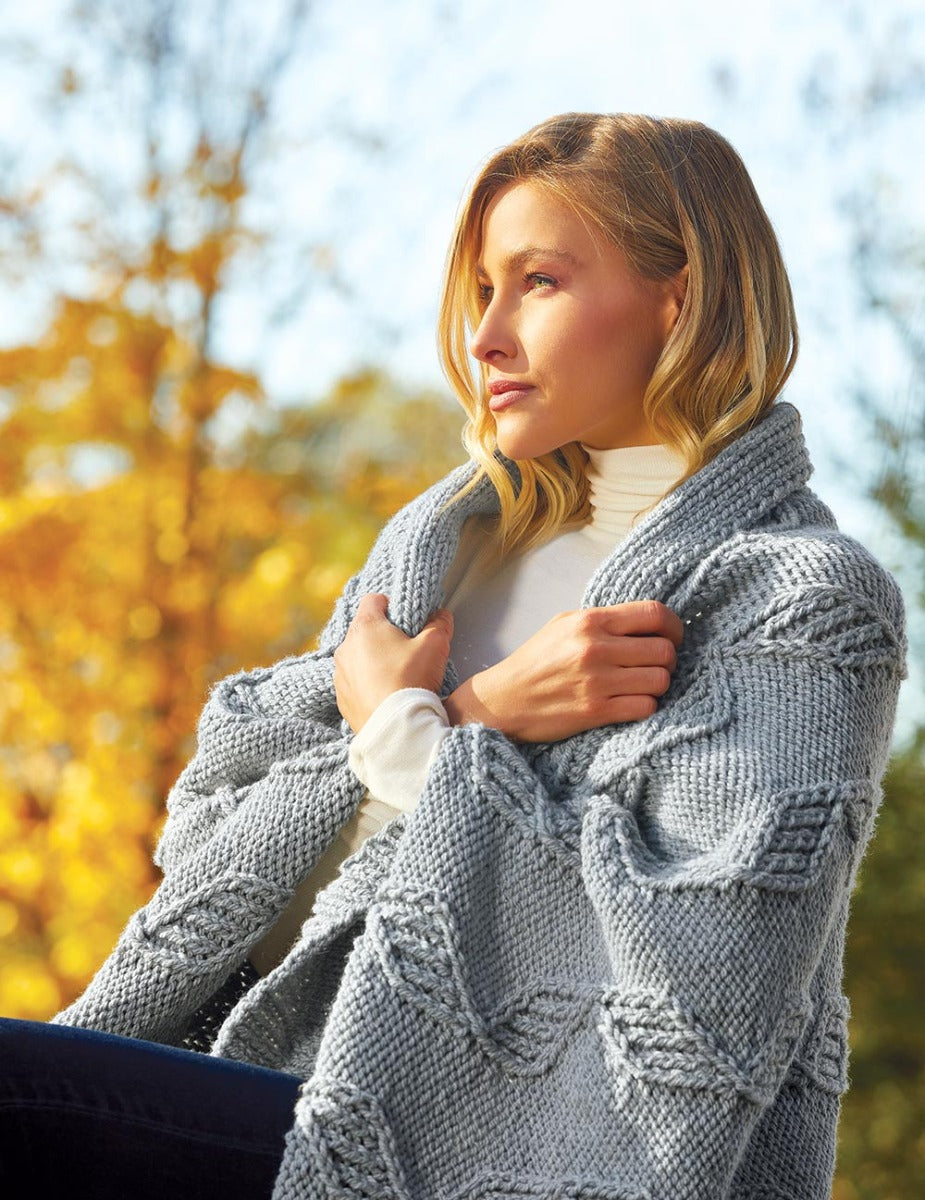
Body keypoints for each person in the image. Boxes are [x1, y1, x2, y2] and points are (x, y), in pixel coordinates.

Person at [0, 113, 907, 1200]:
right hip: (259, 1075)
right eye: (484, 288)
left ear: (681, 296)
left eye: (540, 281)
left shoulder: (798, 600)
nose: (485, 335)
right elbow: (206, 827)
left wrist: (419, 741)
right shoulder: (445, 544)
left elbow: (703, 993)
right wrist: (472, 716)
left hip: (486, 1157)